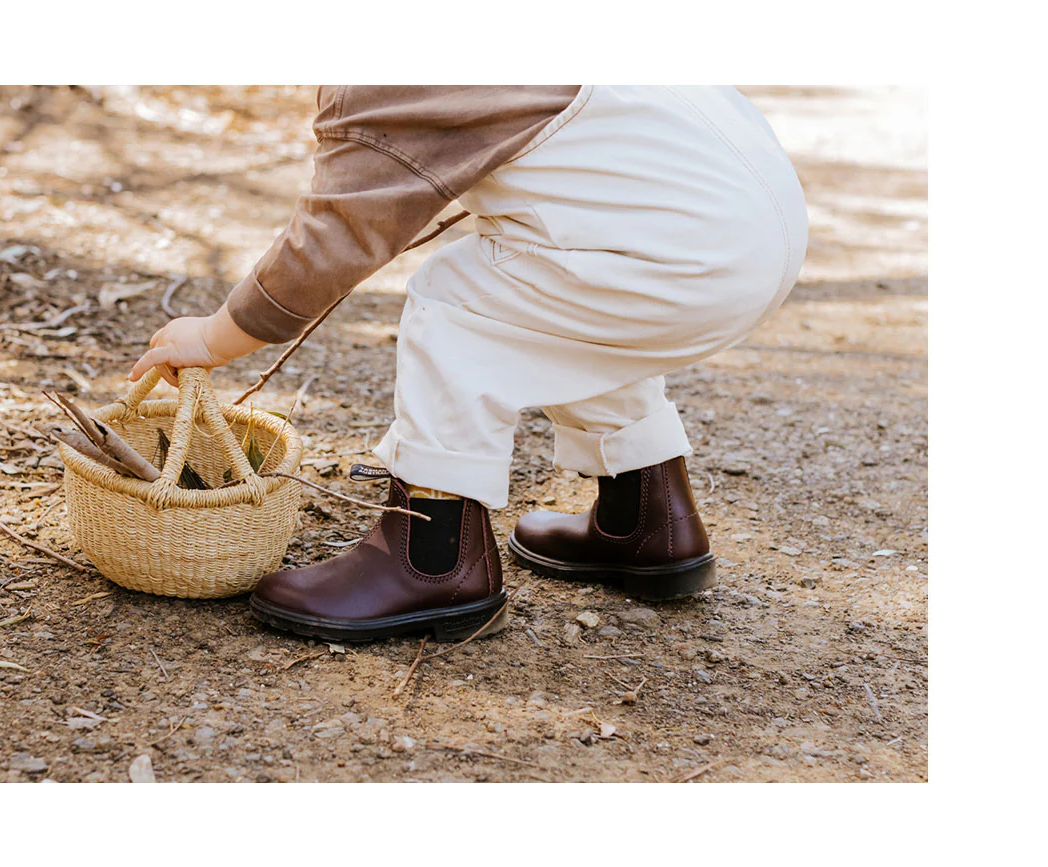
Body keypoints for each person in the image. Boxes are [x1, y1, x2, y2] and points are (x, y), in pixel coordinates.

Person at [129, 86, 808, 642]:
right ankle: (646, 514)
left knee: (456, 299)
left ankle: (432, 558)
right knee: (560, 289)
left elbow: (331, 238)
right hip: (750, 221)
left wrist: (216, 337)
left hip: (687, 251)